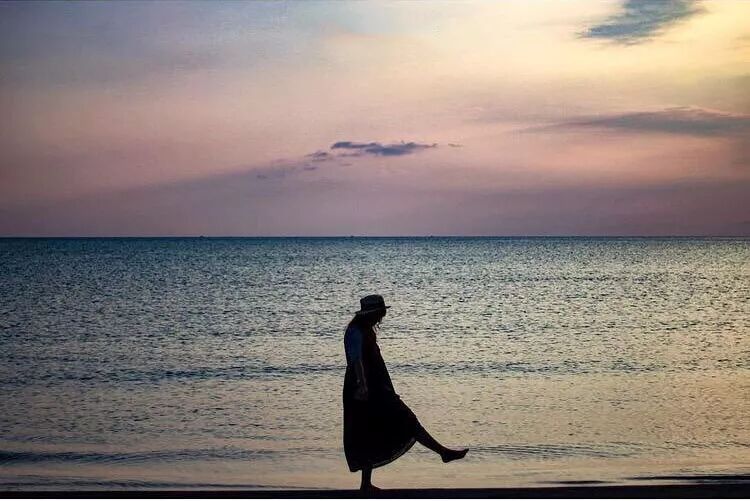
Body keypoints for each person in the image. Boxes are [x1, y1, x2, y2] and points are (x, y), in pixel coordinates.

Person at [342, 294, 468, 491]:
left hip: (375, 386)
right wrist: (363, 385)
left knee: (373, 429)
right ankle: (442, 452)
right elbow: (356, 360)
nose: (380, 318)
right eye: (379, 314)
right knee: (381, 426)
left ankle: (366, 483)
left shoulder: (364, 330)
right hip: (364, 387)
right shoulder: (355, 332)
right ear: (371, 314)